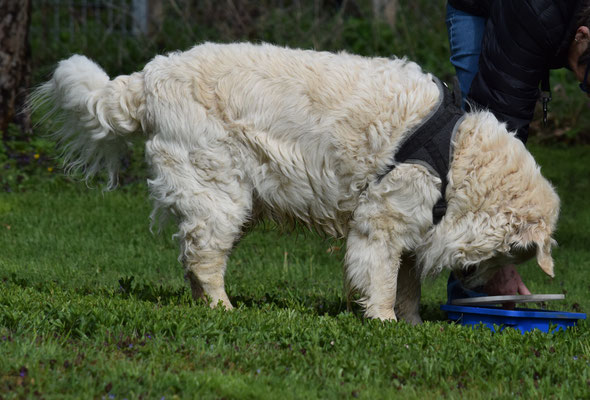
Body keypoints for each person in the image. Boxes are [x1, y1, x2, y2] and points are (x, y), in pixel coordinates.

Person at [445, 0, 590, 304]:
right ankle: (473, 293)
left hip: (531, 19)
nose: (580, 82)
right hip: (479, 8)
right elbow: (496, 133)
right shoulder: (535, 14)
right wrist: (499, 264)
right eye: (587, 78)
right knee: (478, 133)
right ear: (582, 36)